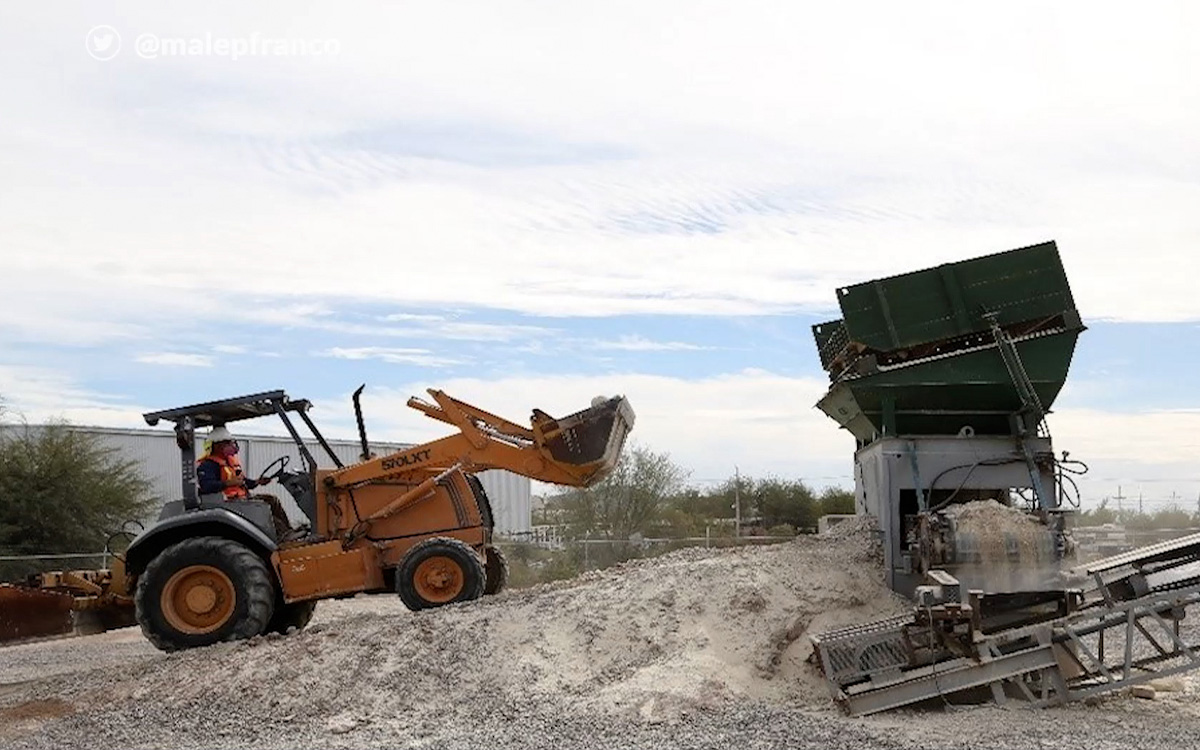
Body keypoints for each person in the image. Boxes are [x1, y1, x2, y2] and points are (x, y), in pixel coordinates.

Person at [196, 426, 299, 541]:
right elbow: (206, 486)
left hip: (242, 499)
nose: (232, 445)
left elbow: (244, 482)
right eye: (227, 443)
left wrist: (257, 482)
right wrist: (228, 483)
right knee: (261, 507)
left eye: (231, 442)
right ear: (217, 445)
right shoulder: (208, 465)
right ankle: (282, 535)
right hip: (227, 503)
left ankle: (288, 531)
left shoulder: (230, 462)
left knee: (271, 500)